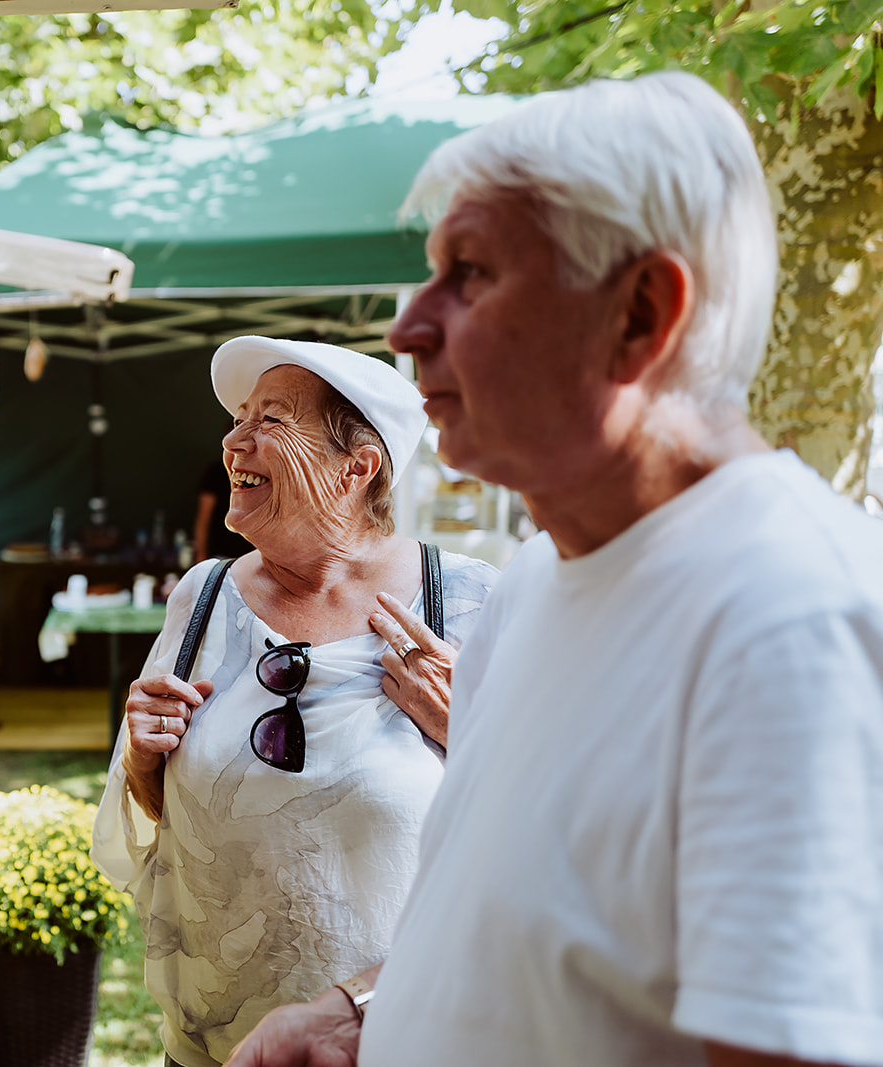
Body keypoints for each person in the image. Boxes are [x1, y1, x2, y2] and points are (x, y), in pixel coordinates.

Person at [228, 71, 883, 1067]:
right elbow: (504, 912)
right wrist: (357, 1015)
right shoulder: (534, 579)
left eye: (471, 274)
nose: (408, 327)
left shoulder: (787, 619)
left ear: (640, 314)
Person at [91, 335, 498, 1067]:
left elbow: (548, 834)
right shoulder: (203, 597)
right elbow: (170, 815)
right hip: (212, 1048)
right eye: (238, 419)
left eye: (271, 420)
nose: (232, 441)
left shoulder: (467, 602)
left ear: (357, 466)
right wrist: (146, 760)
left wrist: (470, 730)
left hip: (392, 1042)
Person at [193, 456, 252, 562]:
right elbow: (203, 519)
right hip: (221, 555)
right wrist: (201, 556)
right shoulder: (217, 471)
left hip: (253, 556)